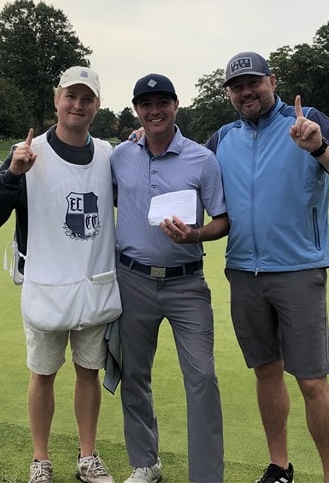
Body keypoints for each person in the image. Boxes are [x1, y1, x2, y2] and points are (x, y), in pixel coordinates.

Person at [204, 52, 329, 483]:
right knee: (266, 372)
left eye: (253, 82)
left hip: (298, 270)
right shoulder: (222, 137)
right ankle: (279, 466)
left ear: (272, 81)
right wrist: (140, 139)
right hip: (243, 270)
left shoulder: (308, 120)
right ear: (229, 94)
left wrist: (318, 147)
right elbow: (184, 165)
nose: (246, 92)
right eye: (236, 86)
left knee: (312, 381)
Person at [0, 67, 121, 483]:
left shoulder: (109, 153)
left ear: (97, 105)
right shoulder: (27, 151)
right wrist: (12, 174)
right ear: (57, 100)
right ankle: (40, 459)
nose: (78, 105)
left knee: (89, 373)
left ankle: (87, 456)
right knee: (42, 374)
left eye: (87, 98)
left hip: (95, 285)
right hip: (46, 286)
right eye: (70, 96)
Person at [111, 73, 229, 483]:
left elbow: (223, 220)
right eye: (146, 104)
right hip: (133, 281)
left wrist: (195, 234)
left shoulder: (202, 159)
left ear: (176, 105)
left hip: (186, 284)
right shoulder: (120, 156)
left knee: (202, 377)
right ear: (136, 110)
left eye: (162, 102)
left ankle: (207, 476)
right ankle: (146, 463)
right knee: (134, 375)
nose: (154, 110)